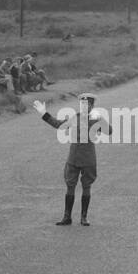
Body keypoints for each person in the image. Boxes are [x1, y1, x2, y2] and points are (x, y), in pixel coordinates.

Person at [35, 94, 108, 226]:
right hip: (73, 157)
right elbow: (58, 125)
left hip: (88, 158)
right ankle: (67, 217)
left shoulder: (96, 118)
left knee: (87, 186)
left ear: (92, 106)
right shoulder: (75, 118)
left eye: (87, 105)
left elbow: (109, 131)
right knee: (70, 185)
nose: (84, 107)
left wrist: (100, 121)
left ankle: (84, 217)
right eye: (82, 104)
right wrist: (44, 113)